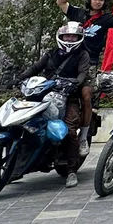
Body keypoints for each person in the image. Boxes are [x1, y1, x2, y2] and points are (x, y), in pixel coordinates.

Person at [55, 0, 113, 154]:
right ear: (89, 0)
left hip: (89, 63)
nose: (97, 2)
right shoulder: (78, 13)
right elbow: (60, 2)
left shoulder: (105, 19)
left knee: (86, 95)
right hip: (68, 60)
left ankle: (83, 136)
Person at [20, 21, 93, 188]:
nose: (70, 38)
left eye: (73, 36)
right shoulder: (51, 53)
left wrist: (75, 83)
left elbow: (83, 73)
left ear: (79, 38)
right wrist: (21, 77)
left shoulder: (82, 55)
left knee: (70, 130)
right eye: (67, 35)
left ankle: (71, 171)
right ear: (61, 36)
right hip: (45, 93)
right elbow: (36, 67)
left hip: (69, 96)